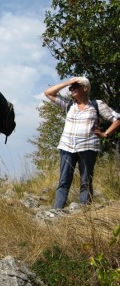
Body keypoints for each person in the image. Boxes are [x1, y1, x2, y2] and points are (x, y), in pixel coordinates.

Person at [44, 76, 120, 209]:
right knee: (64, 180)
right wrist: (68, 82)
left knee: (86, 180)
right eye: (71, 88)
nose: (71, 89)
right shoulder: (69, 104)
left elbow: (117, 119)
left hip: (88, 147)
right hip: (67, 147)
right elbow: (48, 93)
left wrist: (105, 134)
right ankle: (57, 210)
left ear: (85, 88)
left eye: (75, 86)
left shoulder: (96, 105)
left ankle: (84, 211)